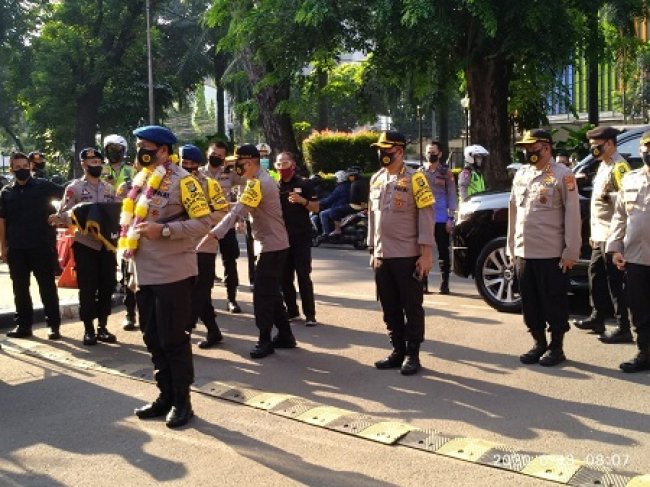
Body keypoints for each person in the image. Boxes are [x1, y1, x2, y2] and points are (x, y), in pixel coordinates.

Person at [122, 125, 212, 428]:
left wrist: (164, 230)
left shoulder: (184, 182)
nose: (140, 151)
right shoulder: (142, 179)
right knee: (152, 338)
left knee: (173, 339)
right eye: (138, 146)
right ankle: (165, 396)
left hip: (174, 272)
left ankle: (183, 402)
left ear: (163, 150)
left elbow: (204, 222)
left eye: (145, 146)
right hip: (145, 273)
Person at [206, 144, 295, 359]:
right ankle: (285, 335)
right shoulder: (257, 180)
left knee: (262, 295)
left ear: (249, 163)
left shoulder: (259, 183)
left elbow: (239, 211)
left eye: (238, 163)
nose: (235, 167)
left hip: (271, 246)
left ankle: (265, 340)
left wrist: (214, 233)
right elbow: (241, 207)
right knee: (271, 293)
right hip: (270, 243)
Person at [507, 129, 581, 367]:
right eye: (527, 149)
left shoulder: (563, 175)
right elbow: (513, 213)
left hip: (551, 253)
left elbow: (572, 214)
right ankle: (538, 343)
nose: (529, 153)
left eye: (534, 149)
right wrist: (511, 248)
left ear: (547, 148)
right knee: (530, 302)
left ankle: (556, 347)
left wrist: (571, 251)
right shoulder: (522, 174)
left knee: (553, 302)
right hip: (524, 251)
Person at [368, 131, 435, 375]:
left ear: (400, 151)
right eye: (380, 150)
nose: (382, 154)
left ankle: (412, 354)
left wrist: (426, 254)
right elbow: (372, 218)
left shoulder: (417, 179)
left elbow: (427, 218)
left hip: (407, 255)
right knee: (389, 306)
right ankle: (397, 350)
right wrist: (372, 250)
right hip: (382, 255)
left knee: (412, 306)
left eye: (387, 150)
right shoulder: (376, 179)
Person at [52, 148, 119, 346]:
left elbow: (117, 212)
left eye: (98, 162)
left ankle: (103, 327)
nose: (96, 165)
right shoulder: (75, 188)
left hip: (107, 244)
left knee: (107, 286)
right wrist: (61, 217)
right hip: (85, 244)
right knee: (88, 287)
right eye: (92, 162)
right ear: (83, 164)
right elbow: (64, 212)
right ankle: (89, 329)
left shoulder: (109, 189)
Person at [572, 126, 632, 343]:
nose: (593, 150)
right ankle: (597, 317)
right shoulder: (603, 166)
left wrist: (617, 236)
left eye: (597, 146)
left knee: (615, 281)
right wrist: (594, 232)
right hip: (600, 233)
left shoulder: (619, 167)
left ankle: (623, 326)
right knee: (595, 274)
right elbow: (599, 203)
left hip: (613, 234)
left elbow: (626, 202)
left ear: (609, 144)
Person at [0, 152, 64, 339]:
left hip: (41, 246)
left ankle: (53, 325)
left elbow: (67, 194)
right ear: (11, 169)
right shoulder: (6, 192)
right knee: (20, 289)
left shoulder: (43, 186)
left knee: (47, 288)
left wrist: (61, 214)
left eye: (24, 166)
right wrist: (3, 247)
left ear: (30, 167)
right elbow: (2, 221)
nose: (22, 170)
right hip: (17, 248)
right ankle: (23, 326)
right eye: (17, 167)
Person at [606, 130, 650, 372]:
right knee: (639, 308)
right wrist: (615, 249)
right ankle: (644, 352)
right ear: (641, 152)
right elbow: (620, 218)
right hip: (636, 257)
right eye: (647, 149)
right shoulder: (631, 180)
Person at [180, 144, 228, 349]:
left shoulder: (210, 185)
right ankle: (209, 330)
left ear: (199, 165)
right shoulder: (173, 182)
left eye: (191, 163)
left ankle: (190, 329)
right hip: (181, 245)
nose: (187, 166)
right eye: (184, 162)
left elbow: (223, 211)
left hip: (203, 244)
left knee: (200, 292)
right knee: (188, 291)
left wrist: (200, 217)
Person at [275, 151, 319, 326]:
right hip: (282, 238)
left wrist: (303, 201)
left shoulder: (304, 184)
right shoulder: (274, 186)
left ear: (293, 164)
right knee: (285, 277)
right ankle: (292, 312)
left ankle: (310, 315)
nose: (282, 167)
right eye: (278, 164)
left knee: (303, 276)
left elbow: (316, 208)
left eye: (285, 163)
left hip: (301, 237)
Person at [200, 140, 243, 313]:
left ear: (225, 157)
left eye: (220, 155)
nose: (216, 157)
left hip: (226, 223)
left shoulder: (230, 174)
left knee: (230, 262)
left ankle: (232, 299)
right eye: (213, 154)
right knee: (205, 264)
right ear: (207, 153)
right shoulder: (198, 172)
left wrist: (239, 215)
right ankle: (206, 300)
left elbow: (247, 183)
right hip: (203, 224)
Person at [102, 134, 138, 332]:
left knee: (127, 266)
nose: (112, 152)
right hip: (106, 223)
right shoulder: (100, 170)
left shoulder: (132, 171)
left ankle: (130, 313)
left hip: (129, 224)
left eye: (116, 148)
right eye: (109, 148)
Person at [421, 141, 457, 294]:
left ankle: (445, 283)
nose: (431, 154)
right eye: (428, 152)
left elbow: (451, 195)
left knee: (443, 251)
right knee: (423, 251)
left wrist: (451, 218)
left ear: (440, 154)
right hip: (424, 218)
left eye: (433, 152)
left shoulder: (446, 173)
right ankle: (423, 283)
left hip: (441, 218)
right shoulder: (420, 172)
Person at [318, 170, 351, 236]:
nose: (335, 180)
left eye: (336, 178)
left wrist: (320, 202)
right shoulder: (347, 185)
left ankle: (326, 233)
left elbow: (330, 199)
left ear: (340, 178)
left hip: (340, 206)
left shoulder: (340, 188)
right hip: (345, 205)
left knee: (323, 214)